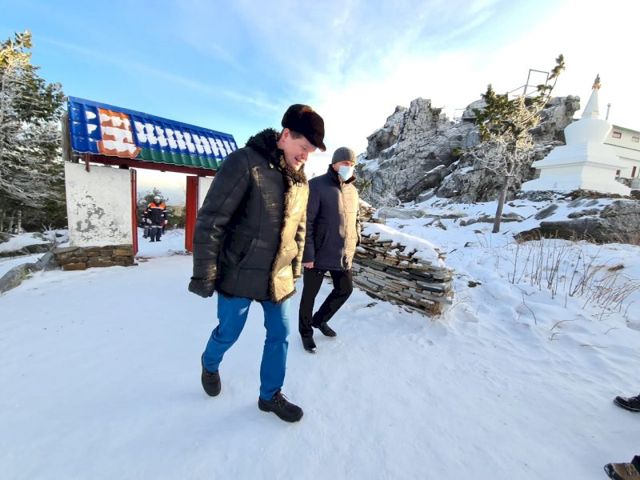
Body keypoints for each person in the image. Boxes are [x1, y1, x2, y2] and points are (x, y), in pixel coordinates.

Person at [188, 104, 325, 423]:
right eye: (304, 147)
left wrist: (293, 271)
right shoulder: (245, 163)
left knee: (280, 334)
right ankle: (209, 363)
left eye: (311, 152)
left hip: (278, 277)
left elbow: (299, 230)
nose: (306, 156)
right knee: (229, 333)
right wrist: (205, 274)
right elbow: (211, 220)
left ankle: (270, 396)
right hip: (238, 272)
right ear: (286, 134)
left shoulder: (301, 181)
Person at [298, 146, 360, 353]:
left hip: (342, 253)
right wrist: (308, 255)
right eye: (345, 163)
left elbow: (355, 220)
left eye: (352, 164)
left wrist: (355, 240)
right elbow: (307, 222)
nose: (348, 167)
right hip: (318, 254)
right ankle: (305, 333)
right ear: (334, 164)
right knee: (309, 296)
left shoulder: (352, 191)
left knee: (345, 289)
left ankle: (320, 320)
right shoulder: (317, 185)